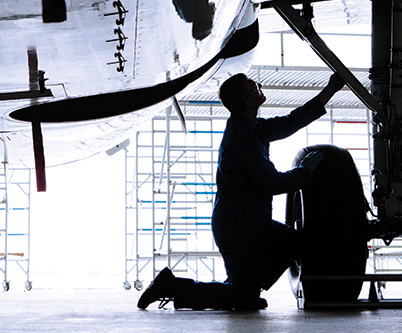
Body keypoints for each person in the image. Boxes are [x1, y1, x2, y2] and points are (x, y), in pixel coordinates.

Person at [137, 72, 346, 310]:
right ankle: (172, 287)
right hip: (238, 227)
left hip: (254, 223)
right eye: (255, 86)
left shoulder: (253, 128)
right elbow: (272, 183)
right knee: (243, 298)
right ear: (249, 101)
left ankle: (247, 286)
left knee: (293, 242)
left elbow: (291, 122)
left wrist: (329, 91)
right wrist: (304, 173)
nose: (260, 86)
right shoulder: (242, 140)